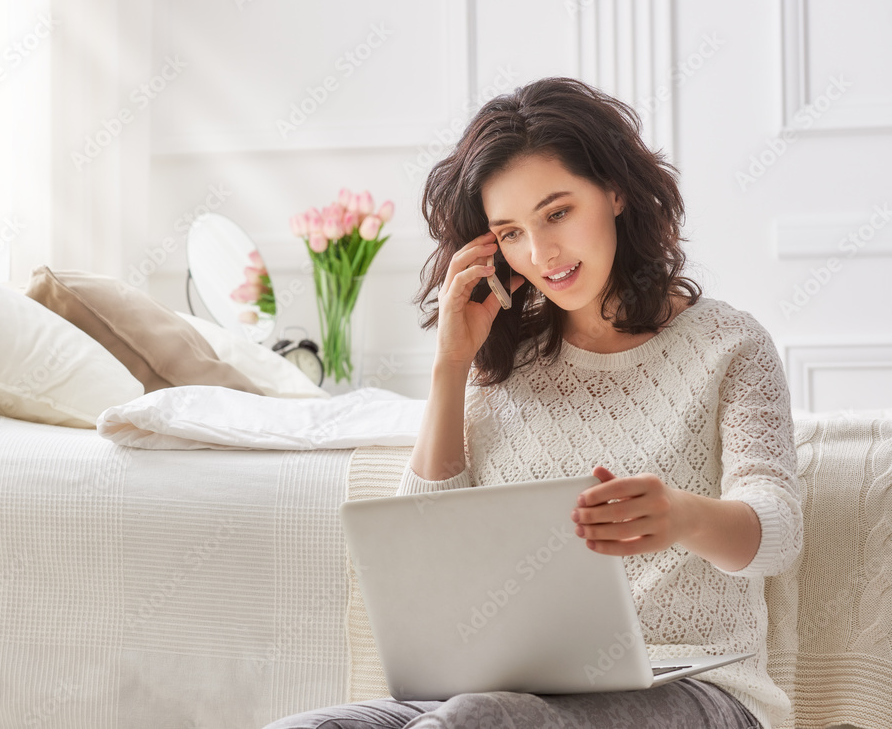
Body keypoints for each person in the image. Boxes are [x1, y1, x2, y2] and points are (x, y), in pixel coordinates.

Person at [263, 77, 802, 729]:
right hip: (510, 688)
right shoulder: (505, 358)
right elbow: (427, 554)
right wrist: (452, 365)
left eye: (558, 212)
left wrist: (683, 516)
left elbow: (779, 532)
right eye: (511, 232)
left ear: (615, 190)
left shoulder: (730, 345)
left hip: (699, 689)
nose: (542, 253)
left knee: (478, 719)